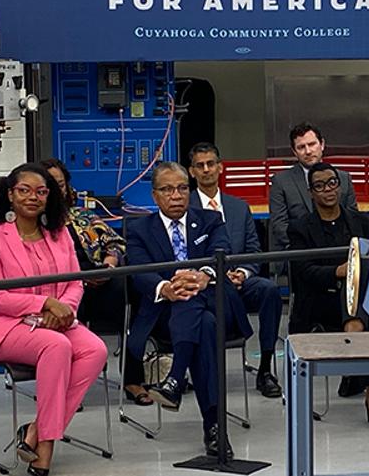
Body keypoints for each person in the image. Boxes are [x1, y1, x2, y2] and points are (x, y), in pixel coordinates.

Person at [0, 163, 108, 476]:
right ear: (9, 195)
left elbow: (74, 282)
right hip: (5, 328)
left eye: (41, 191)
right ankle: (45, 449)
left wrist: (65, 310)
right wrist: (46, 302)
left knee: (95, 350)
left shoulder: (59, 234)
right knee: (56, 347)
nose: (33, 197)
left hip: (57, 323)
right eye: (24, 190)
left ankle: (35, 430)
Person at [126, 162, 252, 459]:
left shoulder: (210, 220)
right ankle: (214, 426)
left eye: (182, 188)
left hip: (215, 303)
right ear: (155, 195)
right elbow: (139, 271)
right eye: (167, 189)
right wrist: (166, 288)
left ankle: (176, 377)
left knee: (195, 305)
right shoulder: (139, 229)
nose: (176, 195)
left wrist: (203, 275)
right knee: (202, 322)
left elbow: (222, 252)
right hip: (164, 315)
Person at [287, 162, 369, 429]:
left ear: (340, 185)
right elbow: (304, 272)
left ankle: (367, 383)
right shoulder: (300, 228)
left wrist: (355, 272)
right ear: (311, 192)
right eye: (320, 186)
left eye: (332, 182)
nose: (328, 190)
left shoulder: (362, 220)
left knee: (362, 301)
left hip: (360, 299)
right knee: (357, 306)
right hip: (320, 300)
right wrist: (338, 271)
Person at [41, 158, 151, 407]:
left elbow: (116, 243)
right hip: (62, 290)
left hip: (99, 283)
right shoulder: (36, 226)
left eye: (59, 184)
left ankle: (133, 379)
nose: (56, 190)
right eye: (48, 185)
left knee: (132, 291)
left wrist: (110, 262)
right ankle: (66, 386)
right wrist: (77, 279)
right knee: (63, 302)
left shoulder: (82, 217)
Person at [187, 142, 283, 398]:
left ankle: (265, 368)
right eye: (200, 165)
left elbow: (254, 250)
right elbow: (183, 254)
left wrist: (243, 272)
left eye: (211, 164)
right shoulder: (184, 209)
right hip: (204, 287)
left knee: (270, 291)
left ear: (220, 167)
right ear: (192, 171)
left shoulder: (239, 207)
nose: (206, 170)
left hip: (239, 282)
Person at [269, 122, 358, 253]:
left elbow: (353, 220)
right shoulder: (281, 182)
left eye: (312, 144)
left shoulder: (344, 179)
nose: (308, 151)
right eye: (301, 147)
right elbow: (279, 227)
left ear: (322, 144)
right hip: (300, 255)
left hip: (340, 251)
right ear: (294, 151)